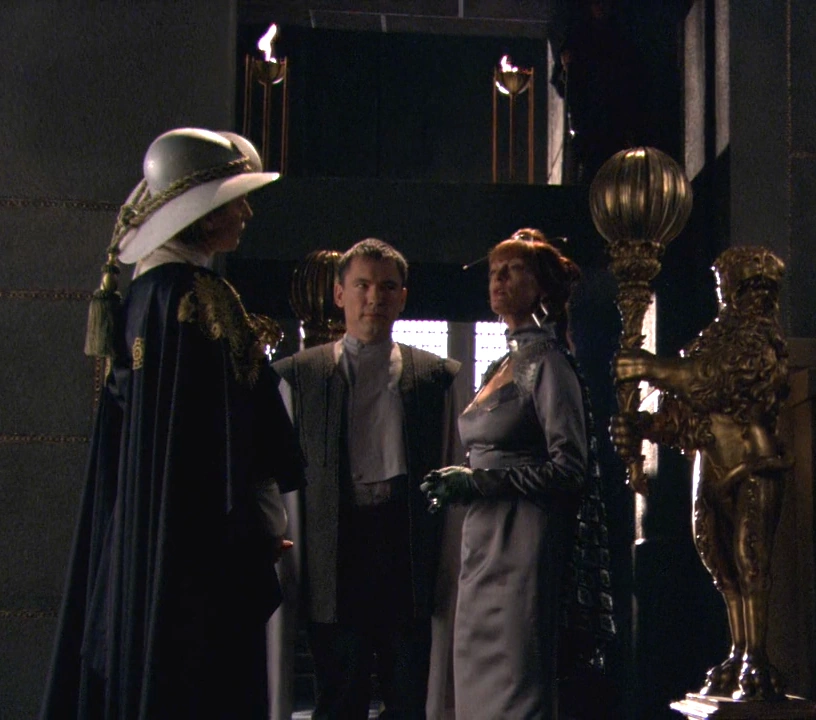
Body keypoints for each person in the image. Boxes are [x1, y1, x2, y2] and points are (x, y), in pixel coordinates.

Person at [40, 128, 305, 720]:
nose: (246, 213)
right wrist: (262, 527)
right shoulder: (202, 298)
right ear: (204, 216)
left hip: (144, 532)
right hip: (197, 552)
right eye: (235, 202)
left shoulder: (142, 297)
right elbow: (243, 430)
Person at [421, 229, 616, 719]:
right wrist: (464, 478)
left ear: (542, 286)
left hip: (524, 542)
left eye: (513, 270)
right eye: (493, 271)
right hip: (481, 541)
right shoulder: (502, 365)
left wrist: (477, 482)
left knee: (516, 680)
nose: (499, 279)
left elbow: (570, 468)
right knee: (473, 678)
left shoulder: (548, 363)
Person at [273, 238, 462, 719]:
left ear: (402, 297)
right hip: (335, 546)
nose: (374, 297)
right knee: (340, 690)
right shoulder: (301, 375)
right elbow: (280, 476)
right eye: (362, 285)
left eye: (387, 287)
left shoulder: (433, 376)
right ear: (340, 294)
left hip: (404, 545)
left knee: (408, 688)